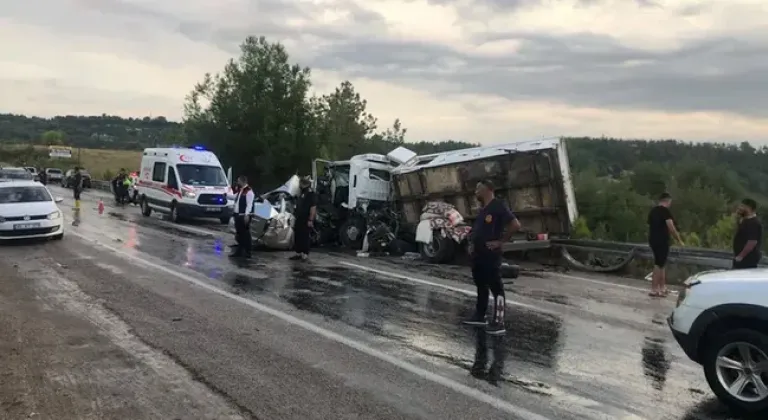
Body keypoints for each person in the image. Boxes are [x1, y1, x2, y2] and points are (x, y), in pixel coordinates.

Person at [463, 180, 521, 335]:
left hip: (490, 254)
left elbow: (515, 225)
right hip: (479, 254)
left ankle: (499, 321)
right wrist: (472, 243)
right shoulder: (483, 210)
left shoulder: (498, 206)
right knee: (481, 284)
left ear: (487, 189)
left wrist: (500, 242)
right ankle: (480, 315)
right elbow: (478, 230)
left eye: (478, 188)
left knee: (495, 286)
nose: (475, 191)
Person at [647, 192, 683, 297]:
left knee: (661, 263)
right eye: (670, 202)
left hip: (653, 239)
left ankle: (662, 287)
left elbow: (650, 226)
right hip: (662, 240)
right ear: (667, 201)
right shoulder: (665, 211)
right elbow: (671, 227)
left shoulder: (653, 211)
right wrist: (679, 240)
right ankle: (654, 289)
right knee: (658, 264)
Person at [290, 176, 317, 261]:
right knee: (298, 235)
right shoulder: (301, 193)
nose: (299, 184)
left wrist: (310, 219)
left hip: (306, 218)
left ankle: (305, 254)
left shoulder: (310, 194)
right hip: (299, 217)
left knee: (305, 236)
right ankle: (298, 253)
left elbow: (313, 207)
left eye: (300, 183)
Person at [732, 198, 763, 270]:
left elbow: (752, 242)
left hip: (747, 260)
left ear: (749, 208)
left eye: (742, 206)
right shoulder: (745, 220)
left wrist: (740, 256)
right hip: (741, 259)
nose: (740, 208)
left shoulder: (753, 223)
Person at [230, 175, 255, 258]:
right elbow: (235, 197)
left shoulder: (249, 191)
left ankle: (248, 251)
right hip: (238, 215)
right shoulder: (241, 190)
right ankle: (239, 251)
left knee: (245, 234)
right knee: (239, 234)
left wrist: (247, 215)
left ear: (242, 181)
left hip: (243, 215)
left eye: (239, 181)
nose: (238, 183)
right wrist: (225, 195)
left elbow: (249, 204)